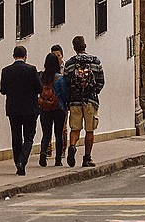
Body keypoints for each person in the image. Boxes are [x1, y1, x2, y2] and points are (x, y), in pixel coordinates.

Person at [63, 35, 105, 168]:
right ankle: (87, 158)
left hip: (75, 101)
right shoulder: (95, 61)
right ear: (85, 46)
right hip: (90, 101)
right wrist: (93, 92)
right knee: (89, 130)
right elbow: (101, 81)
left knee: (75, 128)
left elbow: (65, 83)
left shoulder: (69, 63)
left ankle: (72, 146)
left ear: (74, 48)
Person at [0, 45, 41, 176]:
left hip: (13, 109)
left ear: (13, 56)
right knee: (29, 137)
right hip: (30, 109)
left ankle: (17, 160)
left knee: (16, 136)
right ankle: (22, 161)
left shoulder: (6, 71)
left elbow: (3, 90)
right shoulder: (32, 70)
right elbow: (39, 89)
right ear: (25, 56)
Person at [37, 52, 67, 167]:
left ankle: (43, 153)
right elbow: (64, 94)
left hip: (44, 107)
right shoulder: (59, 78)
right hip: (58, 108)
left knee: (46, 133)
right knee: (58, 134)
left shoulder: (41, 77)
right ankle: (58, 159)